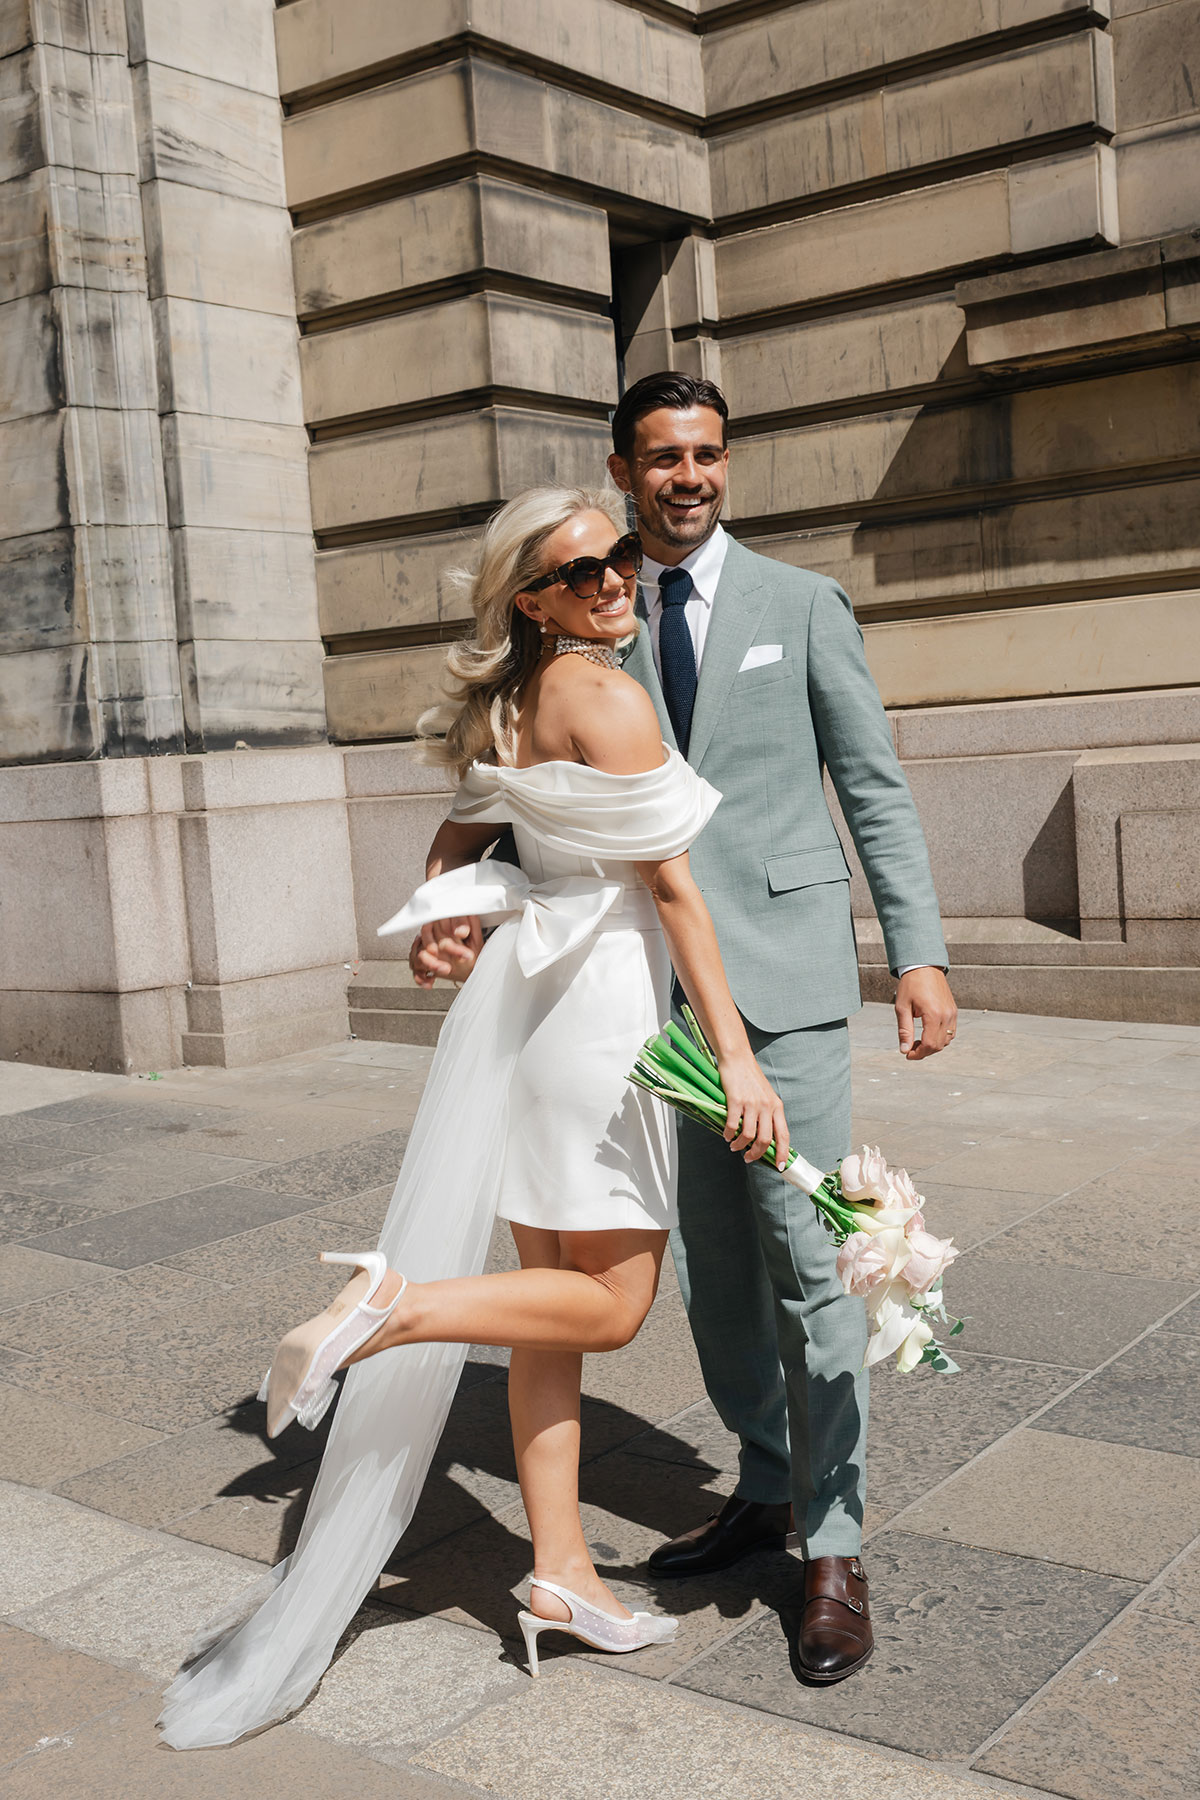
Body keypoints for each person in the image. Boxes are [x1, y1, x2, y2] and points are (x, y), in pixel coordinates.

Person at [158, 485, 792, 1749]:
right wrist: (737, 1058)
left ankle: (559, 1570)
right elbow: (673, 893)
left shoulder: (510, 700)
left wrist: (448, 912)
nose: (617, 577)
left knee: (549, 1312)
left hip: (527, 1020)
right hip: (604, 1016)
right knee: (607, 1309)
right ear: (532, 598)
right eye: (584, 570)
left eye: (619, 556)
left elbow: (460, 835)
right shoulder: (603, 695)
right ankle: (394, 1310)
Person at [602, 371, 956, 1684]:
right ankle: (764, 1479)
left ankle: (837, 1539)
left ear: (726, 464)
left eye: (704, 455)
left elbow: (872, 784)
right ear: (625, 469)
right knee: (713, 1268)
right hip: (660, 1009)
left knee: (814, 1266)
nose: (686, 476)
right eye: (661, 457)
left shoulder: (801, 605)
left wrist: (915, 950)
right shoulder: (600, 612)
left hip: (792, 992)